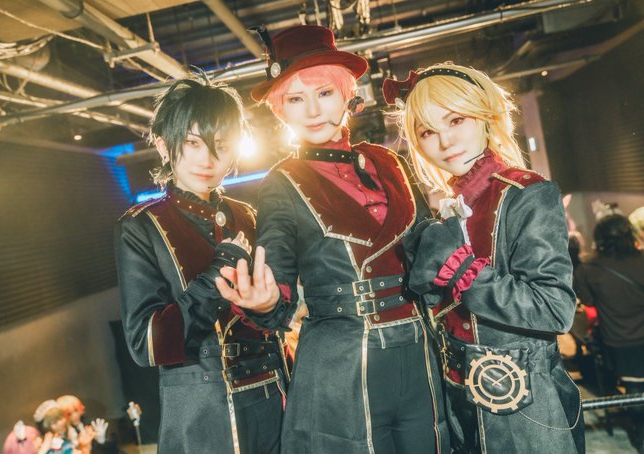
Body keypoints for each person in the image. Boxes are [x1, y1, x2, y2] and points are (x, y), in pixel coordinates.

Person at [217, 24, 449, 454]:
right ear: (281, 110)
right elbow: (278, 279)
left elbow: (426, 251)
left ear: (346, 94)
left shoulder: (390, 162)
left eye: (323, 93)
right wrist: (265, 301)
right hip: (341, 366)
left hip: (421, 354)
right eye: (295, 99)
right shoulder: (281, 183)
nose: (312, 110)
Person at [383, 62, 584, 453]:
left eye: (456, 120)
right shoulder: (446, 208)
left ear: (485, 115)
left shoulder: (527, 194)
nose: (444, 142)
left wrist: (462, 270)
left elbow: (555, 309)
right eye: (427, 132)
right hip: (457, 406)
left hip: (525, 409)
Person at [114, 77, 286, 454]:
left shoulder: (248, 215)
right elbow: (145, 344)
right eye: (193, 143)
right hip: (201, 411)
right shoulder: (142, 226)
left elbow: (280, 315)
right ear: (164, 145)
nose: (207, 159)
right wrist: (217, 275)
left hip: (273, 394)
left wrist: (271, 306)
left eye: (220, 146)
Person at [574, 214, 644, 454]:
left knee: (634, 390)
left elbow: (588, 302)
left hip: (618, 341)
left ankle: (641, 435)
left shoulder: (588, 270)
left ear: (600, 239)